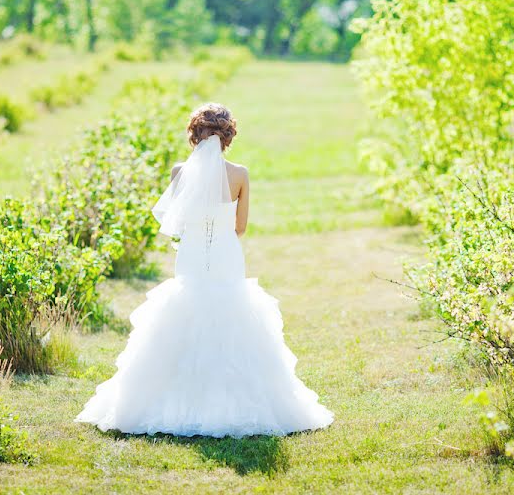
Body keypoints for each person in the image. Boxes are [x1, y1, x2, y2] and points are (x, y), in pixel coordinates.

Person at [76, 103, 333, 438]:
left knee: (186, 309)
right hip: (226, 253)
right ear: (227, 137)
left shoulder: (178, 172)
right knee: (231, 311)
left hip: (192, 254)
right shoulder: (240, 174)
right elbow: (240, 227)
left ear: (194, 135)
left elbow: (178, 223)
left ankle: (174, 396)